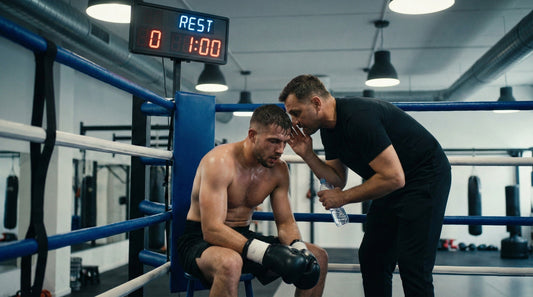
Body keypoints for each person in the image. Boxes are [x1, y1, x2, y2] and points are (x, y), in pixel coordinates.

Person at [279, 74, 451, 297]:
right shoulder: (329, 130)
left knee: (413, 265)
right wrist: (308, 155)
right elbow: (337, 179)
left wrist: (343, 198)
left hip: (426, 178)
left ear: (316, 103)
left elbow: (395, 177)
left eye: (296, 112)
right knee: (373, 257)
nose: (294, 121)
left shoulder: (358, 118)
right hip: (389, 183)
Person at [176, 104, 328, 297]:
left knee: (317, 258)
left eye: (284, 142)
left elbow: (285, 222)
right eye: (273, 141)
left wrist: (299, 249)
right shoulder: (220, 163)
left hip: (244, 237)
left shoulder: (278, 170)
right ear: (252, 135)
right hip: (201, 241)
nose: (280, 150)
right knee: (230, 262)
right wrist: (266, 253)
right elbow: (212, 229)